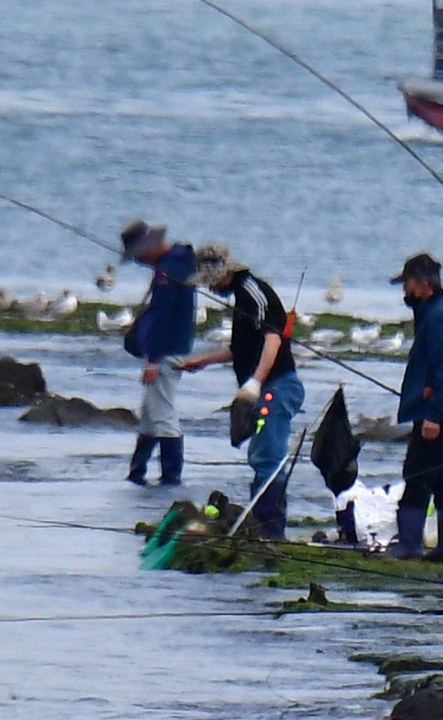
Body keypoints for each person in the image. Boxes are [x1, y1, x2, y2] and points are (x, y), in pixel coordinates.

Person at [180, 247, 306, 539]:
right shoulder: (242, 296)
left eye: (209, 280)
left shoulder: (254, 294)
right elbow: (242, 349)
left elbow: (272, 342)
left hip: (278, 386)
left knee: (268, 457)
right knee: (261, 455)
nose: (209, 287)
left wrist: (255, 383)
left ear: (222, 273)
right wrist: (204, 361)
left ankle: (270, 532)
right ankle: (263, 527)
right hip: (267, 387)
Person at [391, 252, 443, 562]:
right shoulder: (442, 311)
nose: (405, 292)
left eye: (408, 285)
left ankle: (410, 545)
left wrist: (433, 414)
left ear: (423, 285)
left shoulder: (437, 317)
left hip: (439, 413)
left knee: (417, 475)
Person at [120, 220, 196, 487]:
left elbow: (164, 317)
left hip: (168, 350)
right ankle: (137, 472)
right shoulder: (178, 262)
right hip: (175, 346)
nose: (140, 262)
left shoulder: (168, 272)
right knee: (151, 413)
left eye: (139, 256)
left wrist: (153, 359)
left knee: (162, 413)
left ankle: (171, 477)